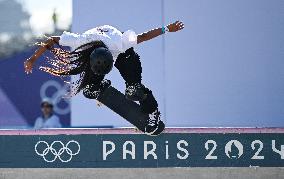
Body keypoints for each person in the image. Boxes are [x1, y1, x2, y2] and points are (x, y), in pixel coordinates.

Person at [25, 21, 184, 135]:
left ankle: (153, 112)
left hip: (123, 52)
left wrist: (167, 29)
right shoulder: (81, 41)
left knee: (133, 91)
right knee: (89, 90)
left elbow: (143, 36)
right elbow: (52, 39)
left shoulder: (121, 43)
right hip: (96, 49)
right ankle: (98, 85)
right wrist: (33, 58)